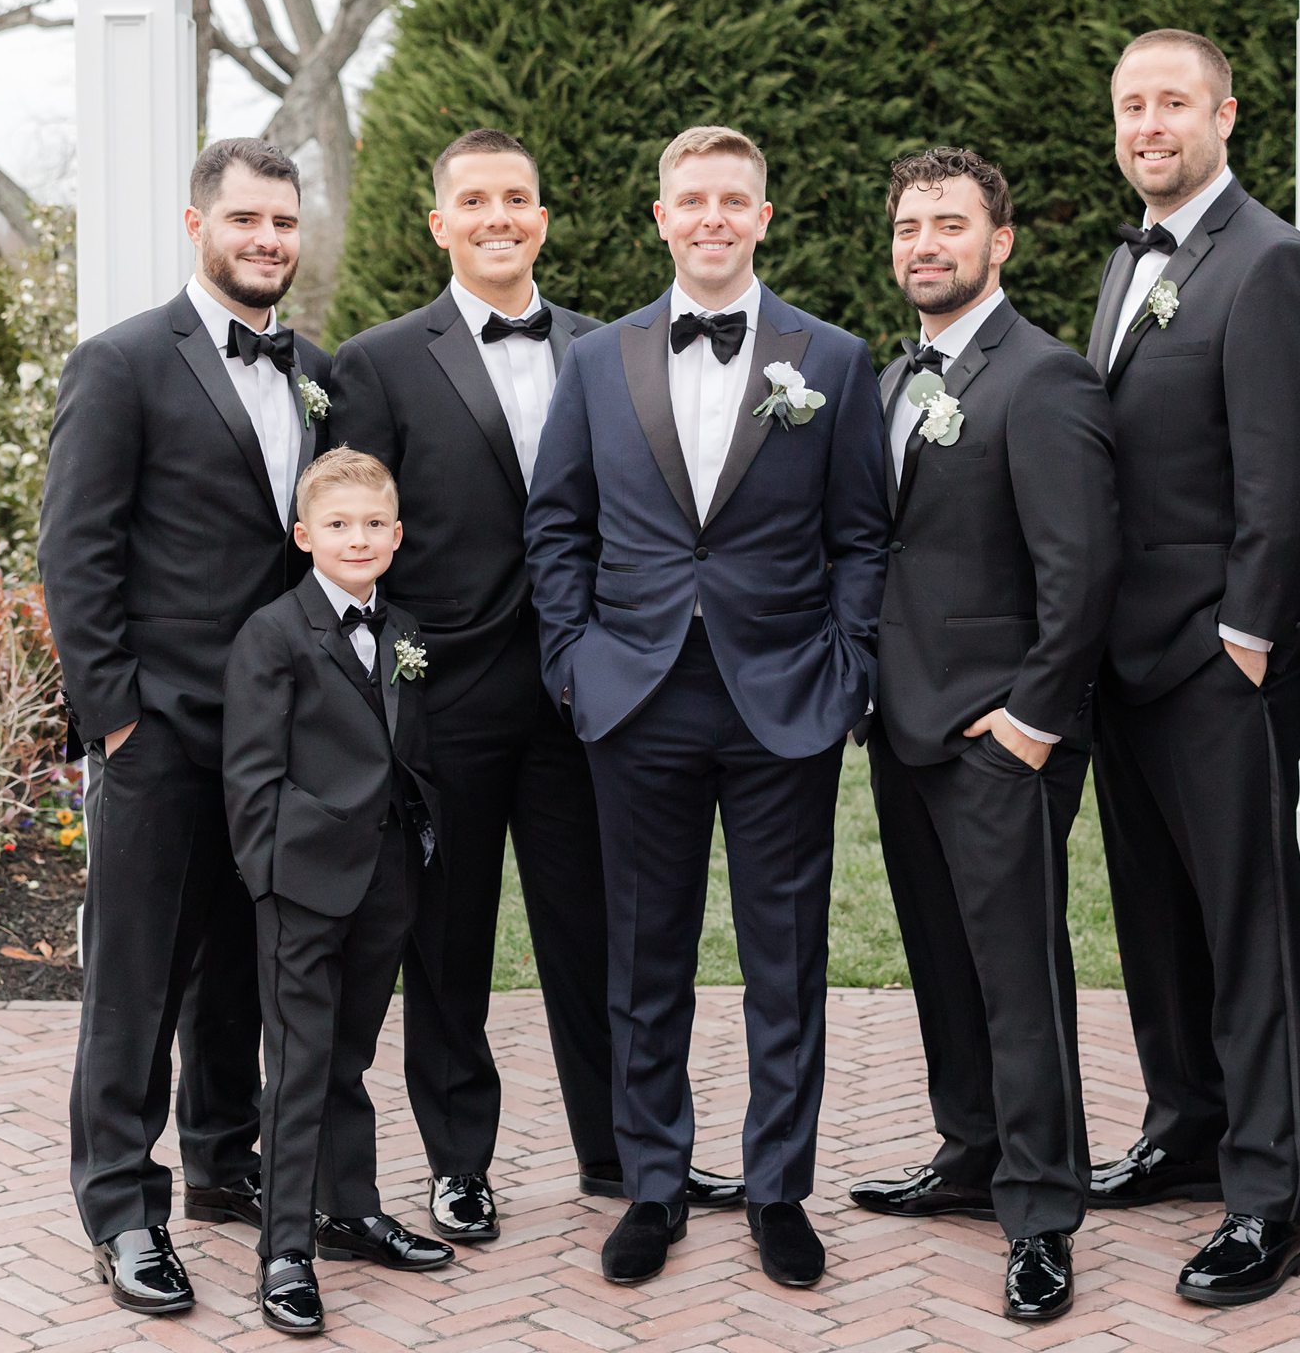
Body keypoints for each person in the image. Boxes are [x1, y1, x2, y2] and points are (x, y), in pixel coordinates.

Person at [328, 129, 739, 1245]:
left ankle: (627, 1153)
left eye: (517, 198)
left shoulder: (612, 350)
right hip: (442, 700)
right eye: (475, 200)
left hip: (582, 698)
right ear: (440, 223)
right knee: (446, 944)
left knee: (604, 935)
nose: (498, 215)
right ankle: (460, 1164)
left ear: (544, 219)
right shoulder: (375, 362)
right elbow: (349, 537)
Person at [524, 125, 887, 1289]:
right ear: (661, 216)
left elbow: (862, 536)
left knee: (787, 956)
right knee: (645, 957)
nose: (714, 217)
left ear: (763, 217)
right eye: (694, 200)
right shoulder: (597, 361)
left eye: (735, 199)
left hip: (784, 696)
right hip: (635, 697)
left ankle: (779, 1187)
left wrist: (847, 667)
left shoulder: (829, 359)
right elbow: (558, 525)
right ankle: (654, 1184)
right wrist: (576, 660)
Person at [39, 138, 333, 1314]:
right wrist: (115, 721)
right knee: (139, 976)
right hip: (158, 729)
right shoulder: (119, 365)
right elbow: (76, 549)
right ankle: (121, 1202)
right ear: (196, 223)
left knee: (242, 965)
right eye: (247, 219)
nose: (268, 240)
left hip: (280, 734)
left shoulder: (318, 372)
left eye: (284, 223)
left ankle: (222, 1160)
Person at [1082, 30, 1300, 1307]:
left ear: (1225, 115)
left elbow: (1290, 475)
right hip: (1121, 662)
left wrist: (1246, 640)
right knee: (1157, 919)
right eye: (1133, 105)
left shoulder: (1274, 263)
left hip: (1214, 662)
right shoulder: (1127, 261)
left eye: (1172, 102)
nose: (1149, 124)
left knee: (1248, 926)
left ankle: (1270, 1197)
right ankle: (1185, 1127)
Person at [848, 148, 1118, 1323]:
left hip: (999, 732)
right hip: (902, 727)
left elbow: (1083, 568)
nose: (925, 245)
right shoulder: (888, 378)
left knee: (1019, 977)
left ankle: (1044, 1212)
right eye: (909, 226)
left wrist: (1032, 722)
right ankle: (969, 1148)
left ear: (998, 242)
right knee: (944, 965)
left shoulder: (1043, 379)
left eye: (949, 225)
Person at [223, 447, 458, 1334]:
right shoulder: (272, 634)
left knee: (349, 1056)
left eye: (371, 525)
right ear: (303, 535)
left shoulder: (402, 632)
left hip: (386, 879)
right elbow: (250, 778)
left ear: (396, 537)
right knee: (298, 1069)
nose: (355, 539)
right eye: (337, 524)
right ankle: (286, 1249)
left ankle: (351, 1208)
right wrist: (274, 879)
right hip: (303, 887)